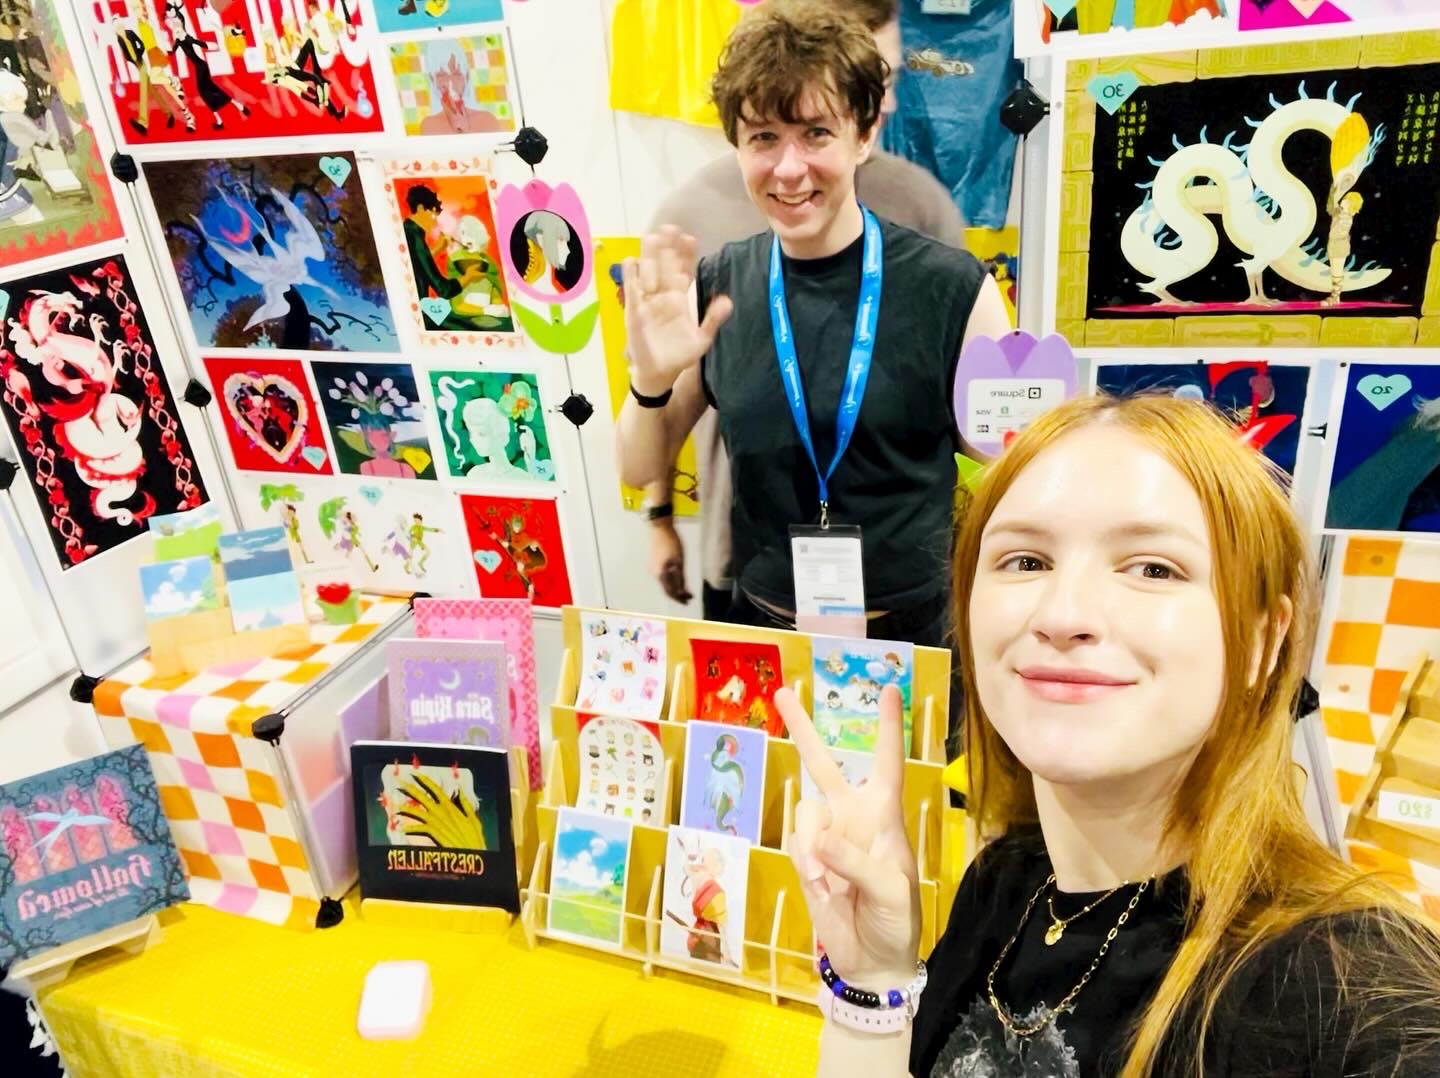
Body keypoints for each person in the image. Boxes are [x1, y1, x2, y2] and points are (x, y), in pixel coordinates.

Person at [780, 393, 1440, 1077]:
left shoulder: (1353, 993)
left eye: (1154, 568)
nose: (1063, 614)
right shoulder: (1005, 882)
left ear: (1263, 642)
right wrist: (872, 981)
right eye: (1026, 561)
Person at [616, 0, 1008, 650]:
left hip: (913, 642)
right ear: (737, 146)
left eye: (817, 133)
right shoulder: (717, 286)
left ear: (863, 136)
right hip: (763, 634)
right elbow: (636, 467)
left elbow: (1008, 468)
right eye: (763, 138)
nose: (789, 168)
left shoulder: (956, 290)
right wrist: (649, 382)